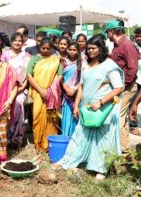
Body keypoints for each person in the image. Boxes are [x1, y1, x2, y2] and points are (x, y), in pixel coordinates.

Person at [53, 34, 124, 180]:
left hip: (103, 109)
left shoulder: (109, 65)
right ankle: (68, 160)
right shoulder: (85, 64)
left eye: (94, 48)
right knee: (80, 135)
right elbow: (81, 86)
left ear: (101, 48)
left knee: (102, 138)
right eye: (89, 48)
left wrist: (101, 102)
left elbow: (118, 88)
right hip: (86, 108)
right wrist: (76, 106)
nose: (90, 51)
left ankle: (101, 170)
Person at [106, 19, 139, 153]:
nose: (107, 35)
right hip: (120, 86)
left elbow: (132, 69)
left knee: (117, 117)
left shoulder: (127, 45)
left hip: (127, 87)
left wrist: (122, 87)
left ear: (112, 31)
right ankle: (125, 149)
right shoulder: (117, 45)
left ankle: (119, 150)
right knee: (121, 117)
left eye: (107, 32)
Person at [27, 37, 63, 152]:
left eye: (48, 48)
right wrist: (40, 90)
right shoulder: (34, 59)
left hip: (51, 94)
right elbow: (29, 75)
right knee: (37, 117)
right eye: (43, 48)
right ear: (39, 47)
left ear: (52, 48)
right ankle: (38, 144)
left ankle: (49, 145)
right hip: (38, 93)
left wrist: (50, 89)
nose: (46, 50)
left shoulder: (56, 60)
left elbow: (59, 75)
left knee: (51, 118)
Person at [1, 33, 31, 148]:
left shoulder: (26, 56)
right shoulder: (5, 54)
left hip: (21, 88)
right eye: (15, 40)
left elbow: (27, 73)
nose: (17, 43)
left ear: (23, 42)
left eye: (20, 41)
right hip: (5, 88)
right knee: (5, 110)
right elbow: (1, 71)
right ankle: (5, 138)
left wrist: (22, 87)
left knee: (19, 106)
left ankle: (17, 139)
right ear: (11, 41)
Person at [60, 42, 82, 136]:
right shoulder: (63, 62)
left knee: (75, 114)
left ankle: (75, 139)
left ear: (78, 51)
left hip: (77, 94)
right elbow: (59, 78)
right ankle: (66, 137)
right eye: (70, 50)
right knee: (66, 115)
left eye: (74, 50)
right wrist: (66, 89)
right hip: (65, 94)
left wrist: (74, 89)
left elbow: (82, 79)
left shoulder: (81, 63)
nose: (72, 52)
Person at [128, 27, 141, 135]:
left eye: (140, 36)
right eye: (137, 36)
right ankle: (133, 126)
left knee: (134, 104)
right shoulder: (135, 48)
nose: (138, 38)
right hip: (136, 81)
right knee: (133, 103)